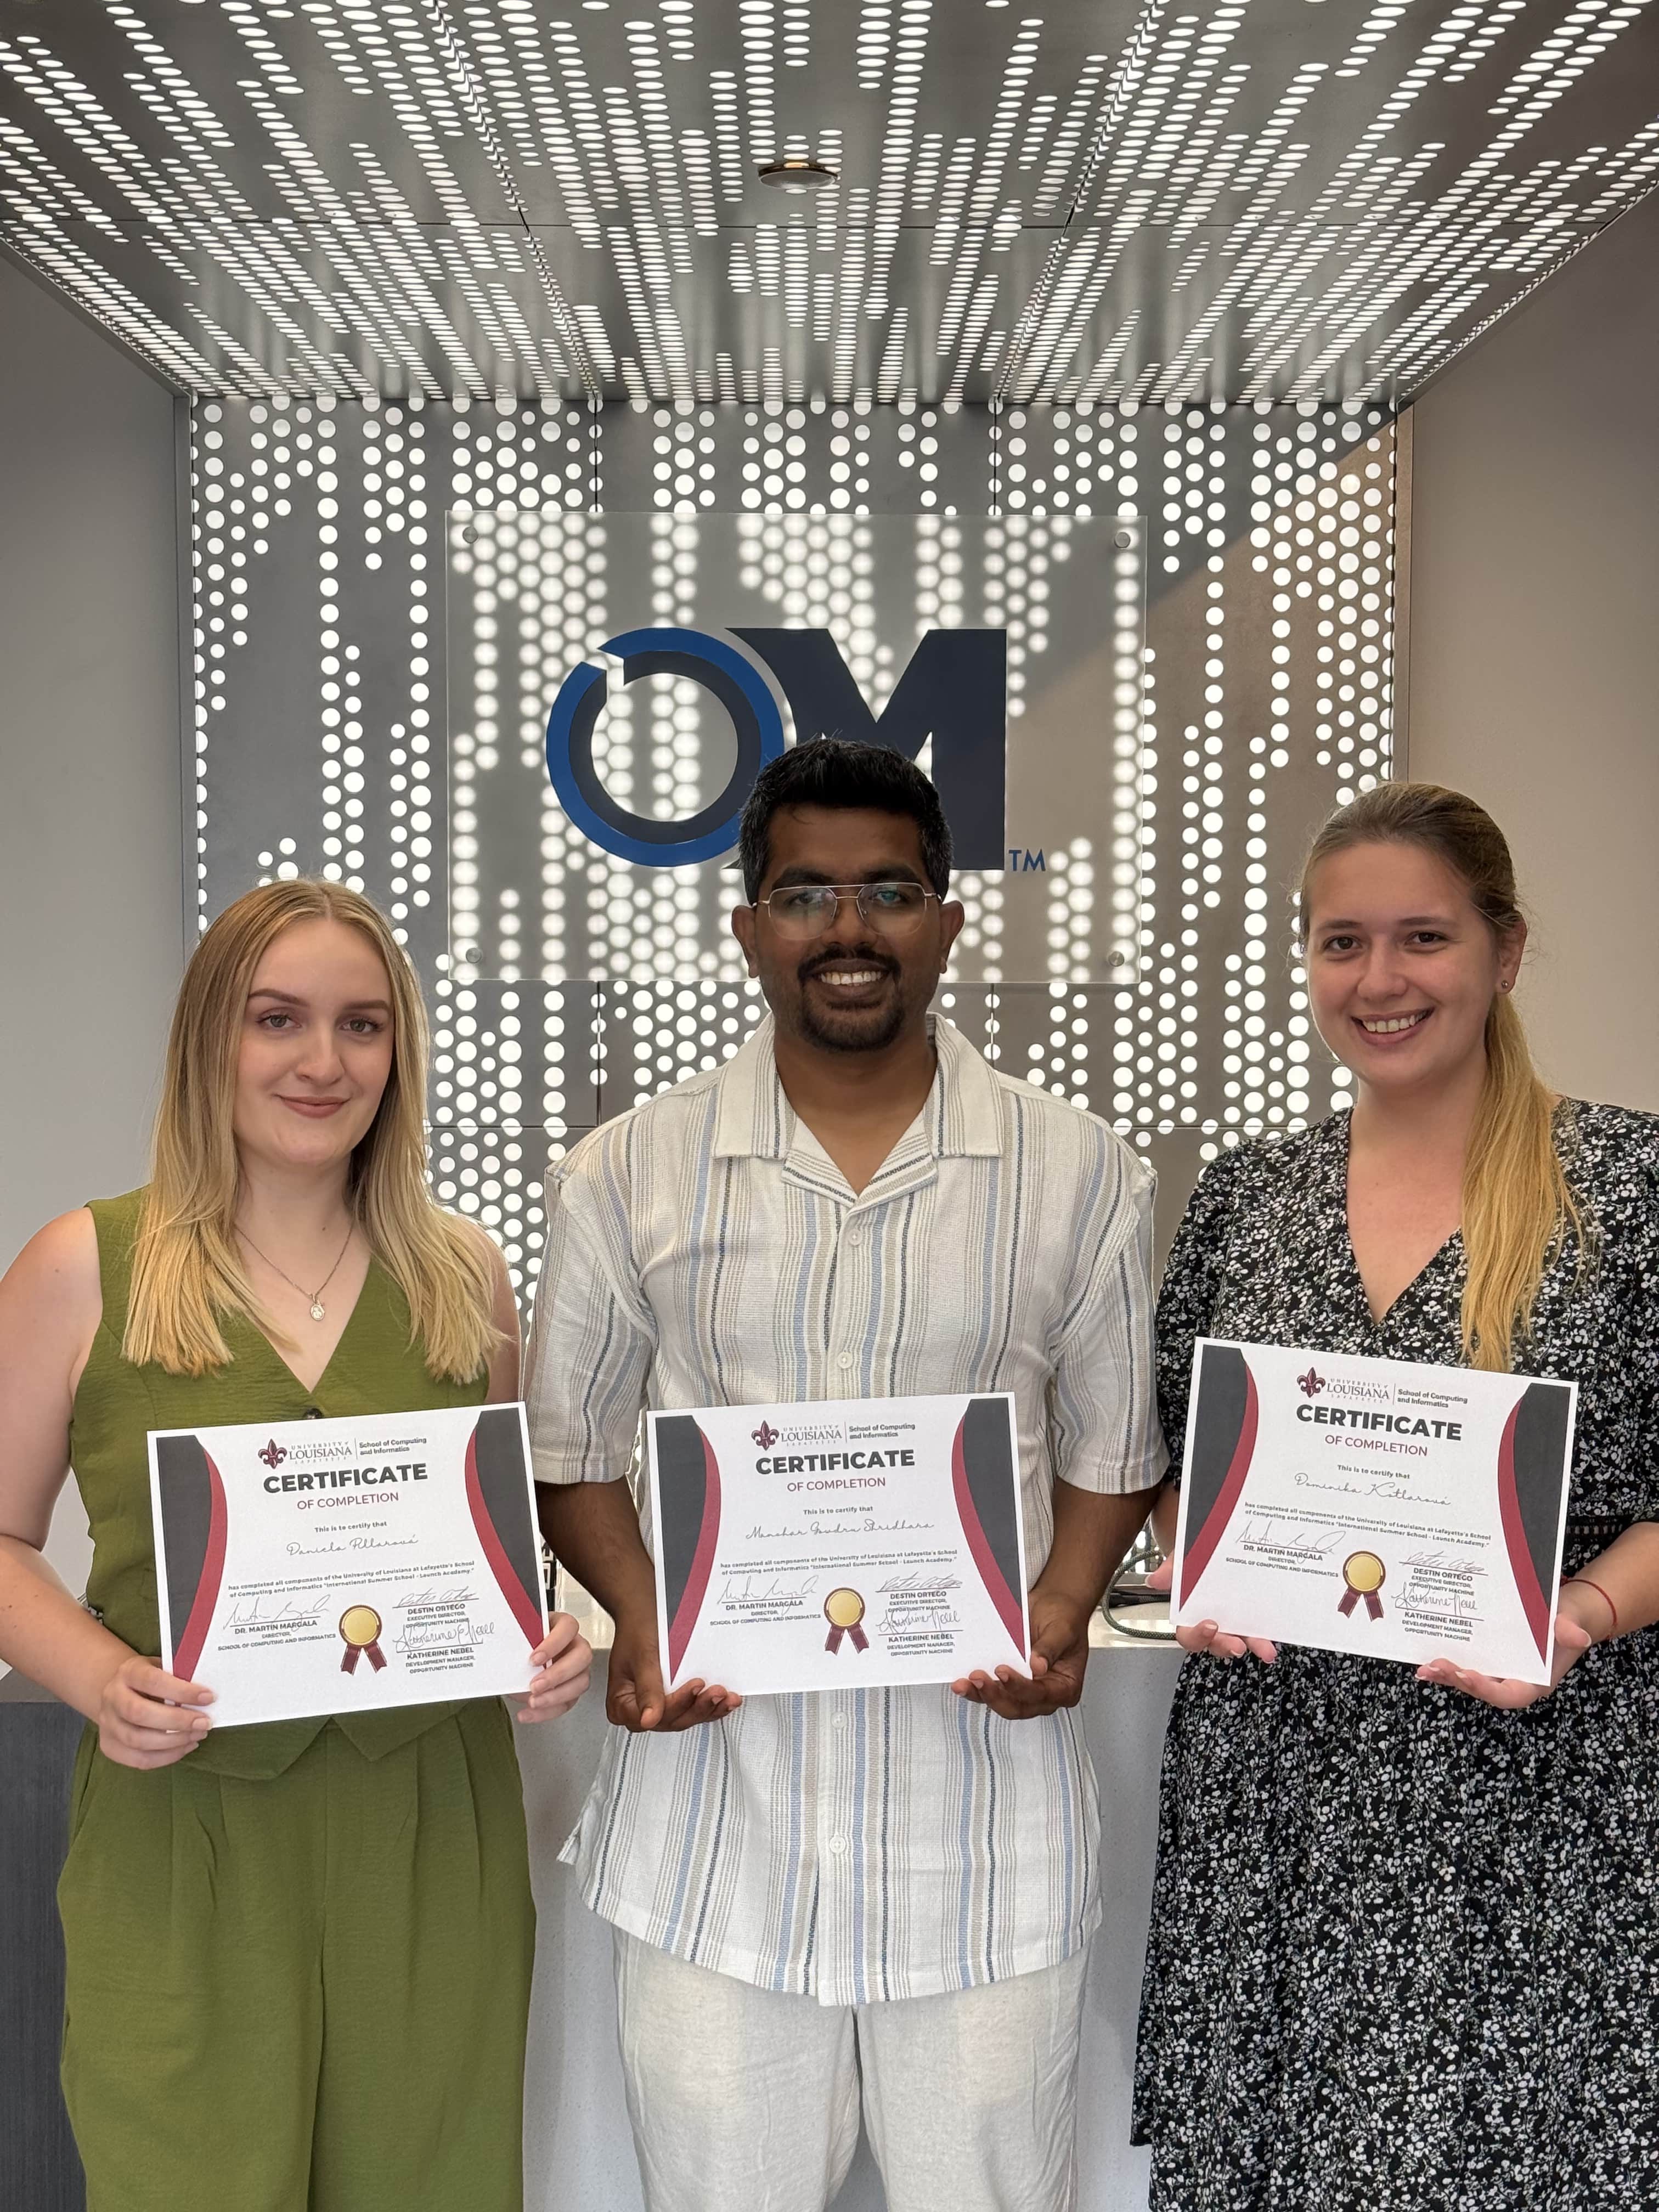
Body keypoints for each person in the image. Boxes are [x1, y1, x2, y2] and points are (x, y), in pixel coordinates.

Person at [526, 737, 1165, 2212]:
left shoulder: (1080, 1171)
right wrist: (641, 1613)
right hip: (717, 1841)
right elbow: (570, 1446)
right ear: (750, 927)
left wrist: (1066, 1604)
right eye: (805, 894)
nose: (849, 928)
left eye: (889, 890)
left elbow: (1113, 1446)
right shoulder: (626, 1172)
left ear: (948, 918)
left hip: (982, 1842)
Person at [0, 879, 592, 2212]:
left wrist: (538, 1642)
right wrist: (98, 1679)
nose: (324, 1062)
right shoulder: (85, 1266)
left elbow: (493, 1551)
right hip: (186, 1826)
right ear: (210, 1035)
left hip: (427, 1827)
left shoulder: (463, 1274)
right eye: (278, 1019)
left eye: (362, 1026)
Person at [1133, 783, 1659, 2209]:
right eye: (1341, 942)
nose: (1380, 980)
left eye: (1424, 937)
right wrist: (1204, 1568)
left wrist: (1581, 1613)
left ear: (1506, 950)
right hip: (1279, 1798)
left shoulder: (1628, 1189)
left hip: (1541, 1804)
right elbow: (1178, 1455)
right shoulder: (1248, 1196)